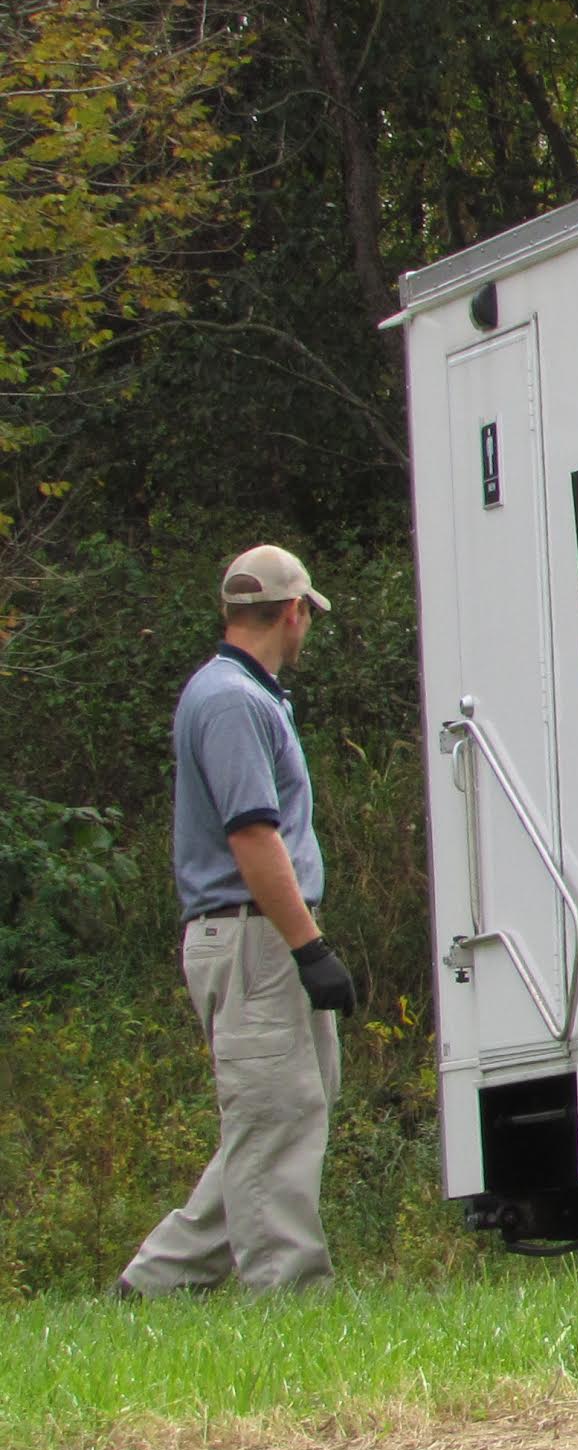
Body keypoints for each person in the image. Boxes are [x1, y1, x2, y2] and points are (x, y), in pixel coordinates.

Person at [117, 546, 357, 1297]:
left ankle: (154, 1286)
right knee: (277, 1115)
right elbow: (253, 835)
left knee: (285, 1109)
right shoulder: (230, 701)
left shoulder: (246, 695)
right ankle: (291, 1297)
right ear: (293, 613)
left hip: (262, 931)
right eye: (305, 617)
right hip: (253, 933)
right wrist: (308, 946)